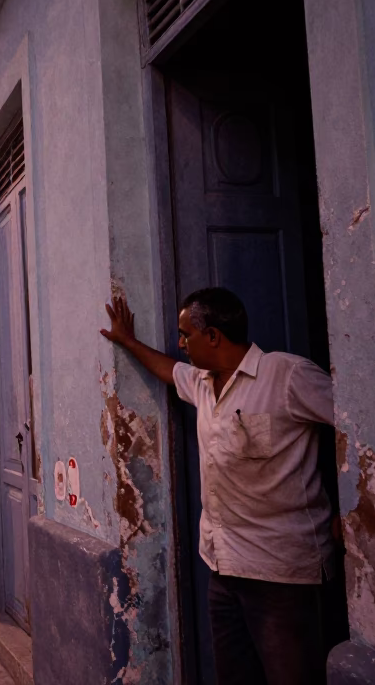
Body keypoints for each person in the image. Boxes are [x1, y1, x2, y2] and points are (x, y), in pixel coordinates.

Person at [100, 287, 335, 685]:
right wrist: (127, 341)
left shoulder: (288, 375)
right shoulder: (204, 384)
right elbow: (168, 370)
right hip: (223, 568)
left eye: (185, 334)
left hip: (281, 572)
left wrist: (352, 513)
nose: (180, 343)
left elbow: (357, 424)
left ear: (212, 336)